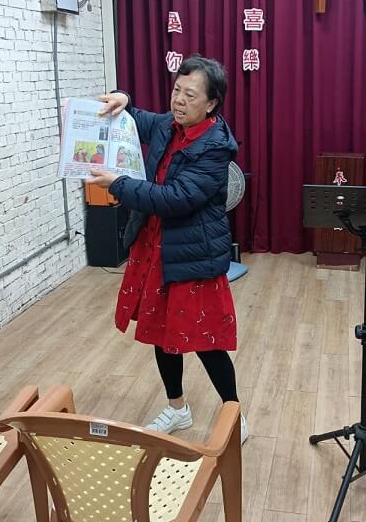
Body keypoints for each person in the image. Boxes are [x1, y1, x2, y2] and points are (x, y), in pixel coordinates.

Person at [86, 55, 248, 443]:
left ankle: (234, 415)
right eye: (177, 90)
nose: (179, 100)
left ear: (211, 103)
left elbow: (176, 198)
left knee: (207, 342)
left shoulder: (215, 148)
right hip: (155, 247)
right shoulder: (169, 124)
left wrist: (118, 184)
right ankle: (178, 409)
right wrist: (123, 97)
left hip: (193, 253)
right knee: (162, 334)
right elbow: (137, 118)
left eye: (190, 95)